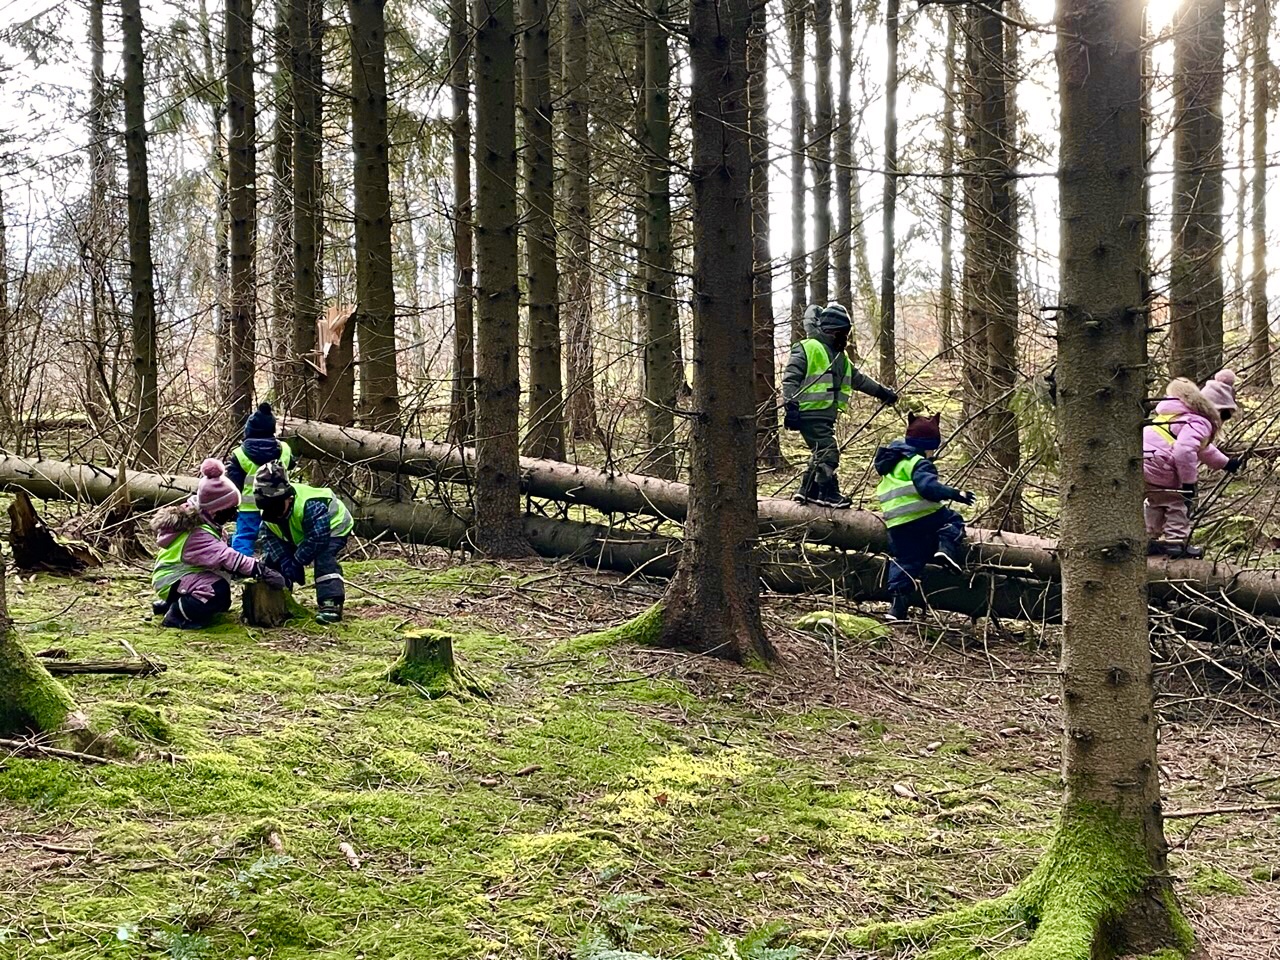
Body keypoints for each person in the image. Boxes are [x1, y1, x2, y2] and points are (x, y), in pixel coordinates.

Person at [782, 302, 898, 508]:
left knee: (820, 451)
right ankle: (827, 493)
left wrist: (882, 393)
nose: (845, 338)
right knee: (828, 451)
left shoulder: (840, 358)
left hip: (824, 414)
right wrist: (790, 406)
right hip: (809, 412)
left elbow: (859, 380)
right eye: (842, 333)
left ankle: (807, 491)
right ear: (831, 331)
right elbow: (790, 379)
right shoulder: (808, 348)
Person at [151, 460, 288, 629]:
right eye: (231, 509)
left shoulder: (203, 522)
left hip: (179, 575)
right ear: (216, 509)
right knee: (216, 591)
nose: (234, 514)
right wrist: (261, 570)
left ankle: (172, 603)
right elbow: (226, 557)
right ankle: (177, 614)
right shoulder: (198, 533)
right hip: (172, 578)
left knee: (222, 599)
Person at [873, 413, 976, 621]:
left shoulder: (893, 462)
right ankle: (945, 549)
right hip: (921, 515)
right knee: (953, 520)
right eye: (933, 448)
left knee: (905, 560)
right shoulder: (918, 462)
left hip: (896, 522)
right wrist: (956, 494)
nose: (933, 453)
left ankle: (897, 609)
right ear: (927, 445)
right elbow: (927, 487)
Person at [1143, 369, 1244, 559]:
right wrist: (1188, 483)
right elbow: (1184, 450)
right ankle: (1176, 543)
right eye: (1226, 415)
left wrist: (1226, 463)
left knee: (1156, 501)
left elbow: (1203, 449)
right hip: (1161, 465)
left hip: (1143, 463)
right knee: (1177, 502)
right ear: (1217, 409)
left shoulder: (1179, 414)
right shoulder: (1199, 422)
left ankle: (1149, 540)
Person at [253, 461, 355, 624]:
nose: (273, 513)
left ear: (289, 498)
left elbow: (318, 538)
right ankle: (276, 601)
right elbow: (268, 537)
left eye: (277, 507)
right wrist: (284, 560)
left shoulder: (310, 504)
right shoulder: (268, 511)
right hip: (296, 533)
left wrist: (297, 560)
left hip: (333, 528)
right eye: (268, 508)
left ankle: (330, 602)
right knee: (272, 560)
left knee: (324, 558)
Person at [226, 402, 294, 556]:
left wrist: (230, 506)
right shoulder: (284, 449)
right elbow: (291, 465)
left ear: (248, 430)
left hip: (249, 507)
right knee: (277, 537)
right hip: (279, 505)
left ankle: (241, 567)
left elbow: (233, 483)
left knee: (244, 536)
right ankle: (274, 567)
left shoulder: (239, 454)